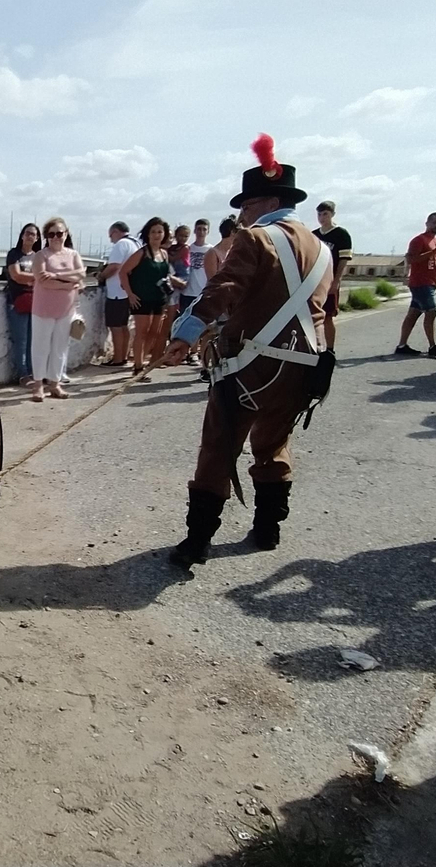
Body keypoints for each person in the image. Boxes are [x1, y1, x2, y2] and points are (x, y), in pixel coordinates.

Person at [162, 134, 334, 566]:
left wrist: (185, 333)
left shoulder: (256, 238)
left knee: (219, 447)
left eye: (247, 204)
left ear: (269, 201)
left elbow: (224, 289)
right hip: (304, 366)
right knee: (274, 445)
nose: (242, 214)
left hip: (250, 364)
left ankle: (197, 542)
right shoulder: (323, 249)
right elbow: (322, 309)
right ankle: (268, 529)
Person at [30, 216, 85, 402]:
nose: (55, 237)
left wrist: (56, 275)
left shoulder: (73, 255)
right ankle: (38, 384)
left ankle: (55, 383)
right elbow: (43, 280)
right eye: (51, 234)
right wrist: (69, 284)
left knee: (60, 347)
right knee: (40, 347)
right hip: (43, 308)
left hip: (66, 309)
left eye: (59, 233)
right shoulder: (41, 255)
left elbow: (81, 273)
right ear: (46, 236)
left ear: (66, 234)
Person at [118, 217, 174, 376]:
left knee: (154, 333)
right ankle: (137, 367)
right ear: (148, 234)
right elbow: (123, 272)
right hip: (141, 298)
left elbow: (165, 275)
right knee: (141, 332)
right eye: (153, 232)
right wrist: (130, 294)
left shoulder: (164, 254)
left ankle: (142, 361)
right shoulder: (141, 253)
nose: (157, 235)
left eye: (160, 232)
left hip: (159, 298)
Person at [395, 212, 436, 357]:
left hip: (431, 282)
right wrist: (435, 251)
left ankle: (402, 345)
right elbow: (411, 259)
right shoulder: (419, 240)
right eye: (435, 222)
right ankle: (433, 346)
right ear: (427, 223)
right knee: (432, 312)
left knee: (413, 314)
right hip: (420, 283)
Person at [312, 201, 353, 351]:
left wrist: (337, 281)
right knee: (312, 315)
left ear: (332, 214)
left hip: (329, 280)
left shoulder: (341, 234)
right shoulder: (314, 235)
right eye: (319, 214)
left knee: (327, 316)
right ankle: (314, 347)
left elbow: (343, 260)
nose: (322, 218)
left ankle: (330, 349)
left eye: (325, 214)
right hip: (315, 281)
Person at [4, 223, 41, 386]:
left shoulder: (38, 256)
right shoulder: (14, 254)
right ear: (22, 236)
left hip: (35, 301)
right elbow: (16, 276)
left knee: (33, 340)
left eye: (33, 234)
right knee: (21, 340)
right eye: (27, 233)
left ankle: (33, 372)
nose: (30, 236)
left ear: (37, 238)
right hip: (17, 300)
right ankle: (23, 374)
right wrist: (38, 277)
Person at [100, 222, 139, 367]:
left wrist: (101, 276)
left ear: (116, 231)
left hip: (117, 292)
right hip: (128, 291)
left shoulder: (121, 244)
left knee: (115, 326)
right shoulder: (135, 243)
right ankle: (123, 356)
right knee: (123, 325)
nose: (111, 240)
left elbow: (114, 266)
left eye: (111, 236)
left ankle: (117, 358)